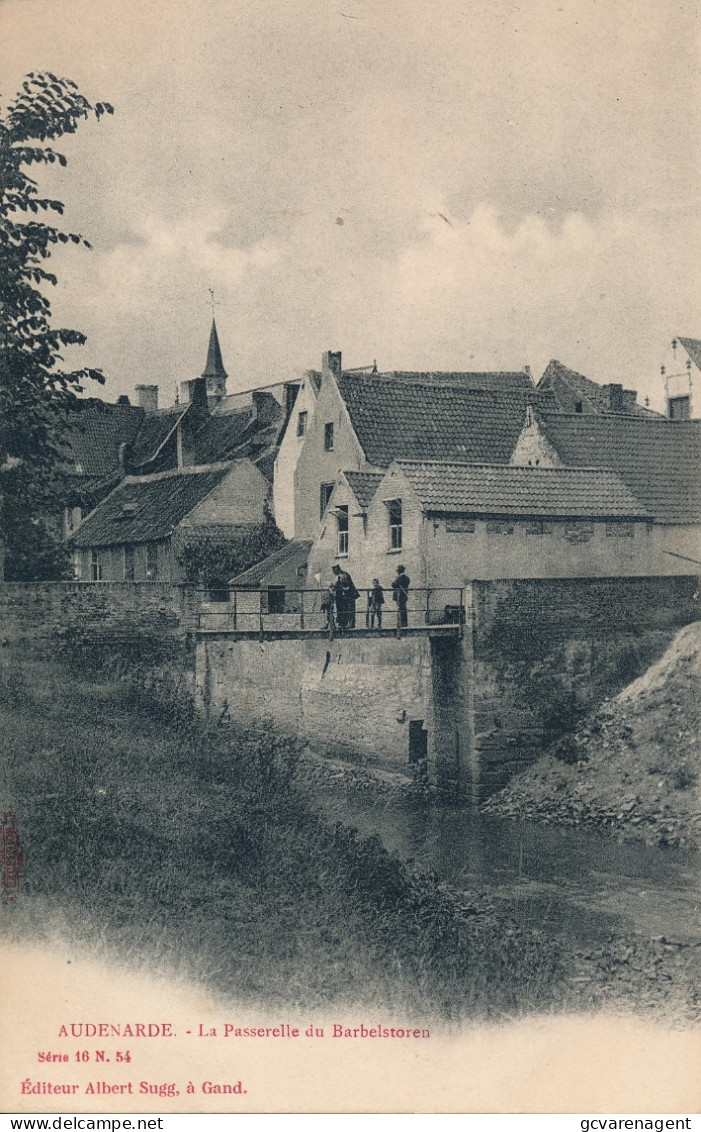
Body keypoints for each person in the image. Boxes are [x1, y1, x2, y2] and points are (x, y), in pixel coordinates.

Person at [332, 564, 359, 629]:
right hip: (341, 597)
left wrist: (338, 588)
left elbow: (347, 587)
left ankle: (348, 624)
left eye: (334, 571)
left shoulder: (344, 575)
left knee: (348, 610)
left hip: (347, 596)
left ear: (337, 570)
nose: (333, 573)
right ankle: (342, 624)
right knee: (342, 610)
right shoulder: (340, 576)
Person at [391, 564, 410, 629]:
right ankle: (404, 623)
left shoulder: (400, 578)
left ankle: (401, 624)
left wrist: (395, 579)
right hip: (404, 595)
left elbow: (393, 584)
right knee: (403, 608)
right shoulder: (407, 578)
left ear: (399, 571)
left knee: (401, 609)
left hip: (400, 596)